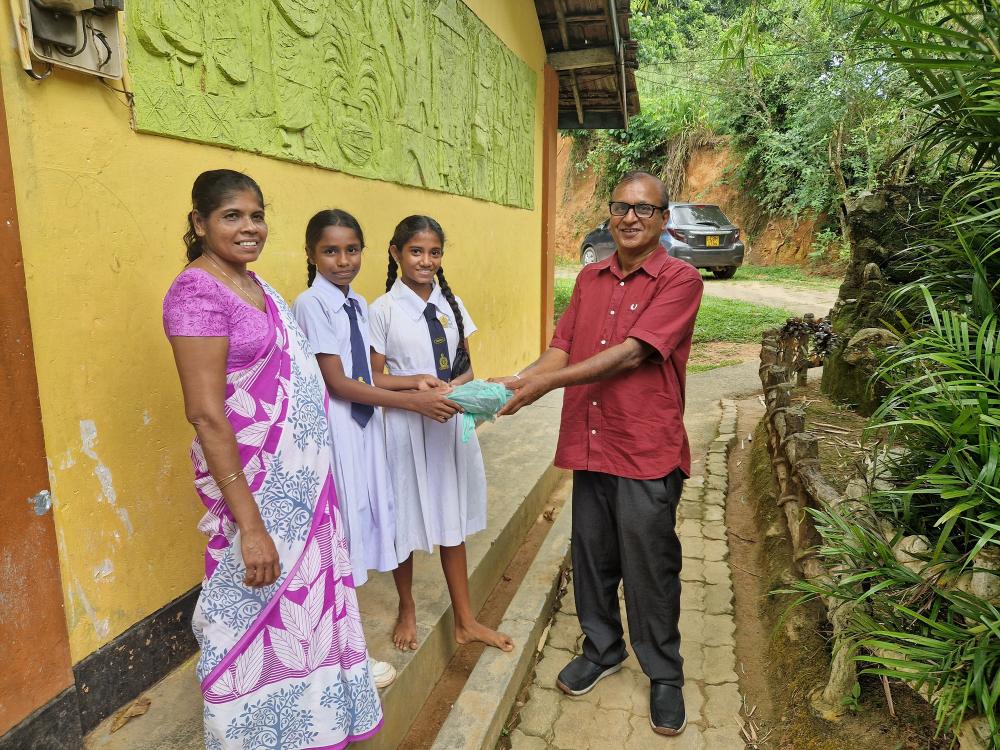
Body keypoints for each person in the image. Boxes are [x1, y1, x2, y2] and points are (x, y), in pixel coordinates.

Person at [163, 170, 382, 749]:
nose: (250, 227)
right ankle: (252, 732)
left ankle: (315, 720)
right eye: (232, 216)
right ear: (200, 223)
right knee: (244, 612)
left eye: (256, 216)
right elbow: (206, 415)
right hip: (255, 497)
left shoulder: (255, 284)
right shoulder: (196, 294)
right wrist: (252, 526)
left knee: (307, 613)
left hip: (304, 494)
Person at [495, 171, 703, 737]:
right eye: (621, 207)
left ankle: (664, 673)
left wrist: (544, 386)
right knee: (591, 555)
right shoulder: (590, 277)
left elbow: (634, 354)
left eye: (644, 209)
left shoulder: (680, 280)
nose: (630, 218)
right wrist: (516, 382)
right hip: (592, 440)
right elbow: (562, 347)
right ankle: (603, 648)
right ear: (610, 213)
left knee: (650, 565)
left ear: (663, 219)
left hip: (645, 446)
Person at [291, 209, 464, 687]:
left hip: (365, 426)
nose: (343, 260)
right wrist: (413, 402)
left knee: (366, 520)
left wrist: (415, 381)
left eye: (351, 250)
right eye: (330, 251)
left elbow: (366, 373)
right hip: (338, 426)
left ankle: (348, 642)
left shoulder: (356, 303)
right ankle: (342, 651)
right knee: (342, 527)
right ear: (311, 254)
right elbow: (337, 383)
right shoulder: (311, 304)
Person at [369, 215, 514, 653]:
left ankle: (466, 620)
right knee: (404, 517)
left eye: (434, 253)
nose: (426, 261)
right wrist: (417, 385)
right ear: (395, 253)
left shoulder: (452, 304)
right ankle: (407, 605)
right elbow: (373, 378)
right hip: (405, 428)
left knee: (452, 516)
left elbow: (466, 367)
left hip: (448, 424)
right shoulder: (383, 310)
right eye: (416, 251)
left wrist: (458, 391)